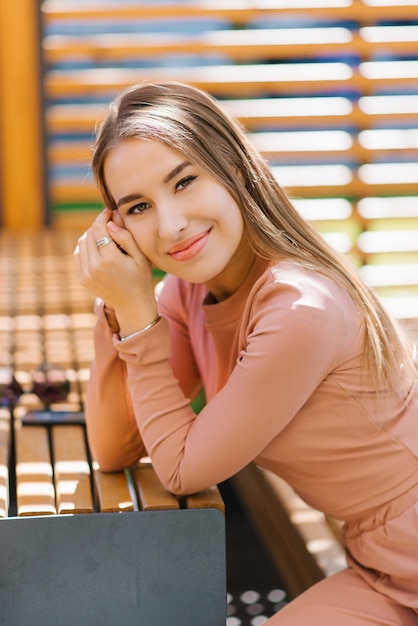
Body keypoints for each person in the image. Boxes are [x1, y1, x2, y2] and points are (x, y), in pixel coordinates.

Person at [74, 81, 418, 625]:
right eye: (138, 207)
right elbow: (117, 447)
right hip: (381, 568)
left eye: (184, 181)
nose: (171, 225)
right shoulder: (192, 292)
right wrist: (116, 305)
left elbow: (184, 469)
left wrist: (139, 317)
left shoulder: (299, 310)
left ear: (233, 167)